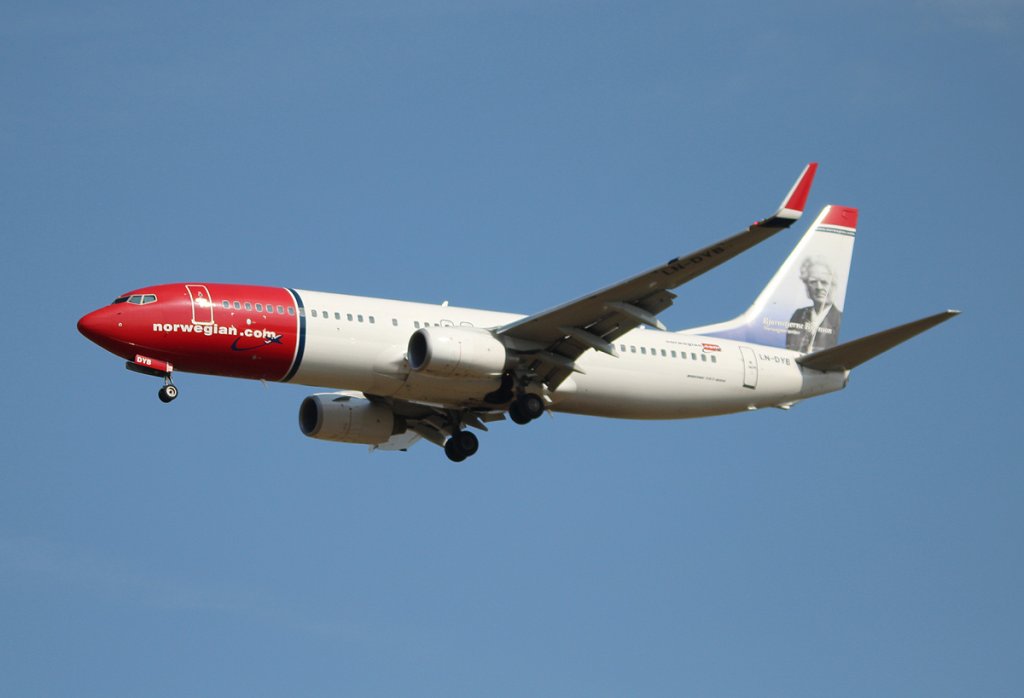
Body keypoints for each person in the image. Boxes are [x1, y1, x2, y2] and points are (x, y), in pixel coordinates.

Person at [786, 256, 842, 352]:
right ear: (806, 286)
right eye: (813, 282)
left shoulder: (839, 320)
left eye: (824, 282)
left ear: (833, 285)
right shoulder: (798, 315)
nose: (819, 287)